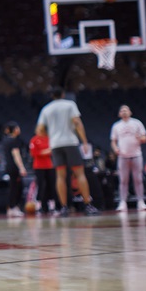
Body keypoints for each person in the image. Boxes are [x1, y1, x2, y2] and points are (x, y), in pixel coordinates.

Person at [35, 87, 99, 216]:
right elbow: (77, 122)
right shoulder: (70, 105)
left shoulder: (46, 109)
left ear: (51, 95)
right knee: (79, 174)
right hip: (70, 142)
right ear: (63, 94)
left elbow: (40, 130)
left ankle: (63, 207)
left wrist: (52, 135)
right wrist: (84, 141)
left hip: (55, 145)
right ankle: (88, 205)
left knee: (60, 176)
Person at [110, 105, 146, 212]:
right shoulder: (116, 126)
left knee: (138, 179)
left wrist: (140, 138)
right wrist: (115, 149)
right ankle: (122, 202)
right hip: (123, 156)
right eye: (122, 110)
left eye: (126, 110)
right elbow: (113, 141)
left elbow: (145, 138)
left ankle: (140, 201)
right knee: (123, 180)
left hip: (136, 155)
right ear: (119, 114)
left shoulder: (137, 123)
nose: (124, 112)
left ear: (130, 112)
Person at [2, 122, 28, 217]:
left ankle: (12, 207)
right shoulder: (13, 141)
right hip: (14, 167)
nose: (19, 129)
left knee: (15, 186)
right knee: (16, 187)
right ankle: (13, 207)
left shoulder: (6, 140)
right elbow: (16, 155)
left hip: (9, 167)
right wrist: (21, 167)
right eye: (17, 127)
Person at [29, 130, 55, 214]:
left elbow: (53, 150)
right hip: (38, 166)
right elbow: (34, 153)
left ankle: (51, 205)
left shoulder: (49, 139)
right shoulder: (34, 139)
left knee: (51, 185)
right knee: (40, 185)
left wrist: (44, 152)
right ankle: (39, 205)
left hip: (49, 165)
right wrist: (46, 151)